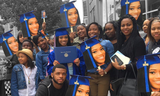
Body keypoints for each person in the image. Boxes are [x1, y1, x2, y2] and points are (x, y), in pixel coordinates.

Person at [111, 14, 146, 94]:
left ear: (133, 26)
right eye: (123, 25)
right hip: (120, 80)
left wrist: (123, 67)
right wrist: (113, 80)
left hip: (132, 80)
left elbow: (140, 63)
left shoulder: (138, 41)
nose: (125, 27)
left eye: (128, 25)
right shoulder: (121, 42)